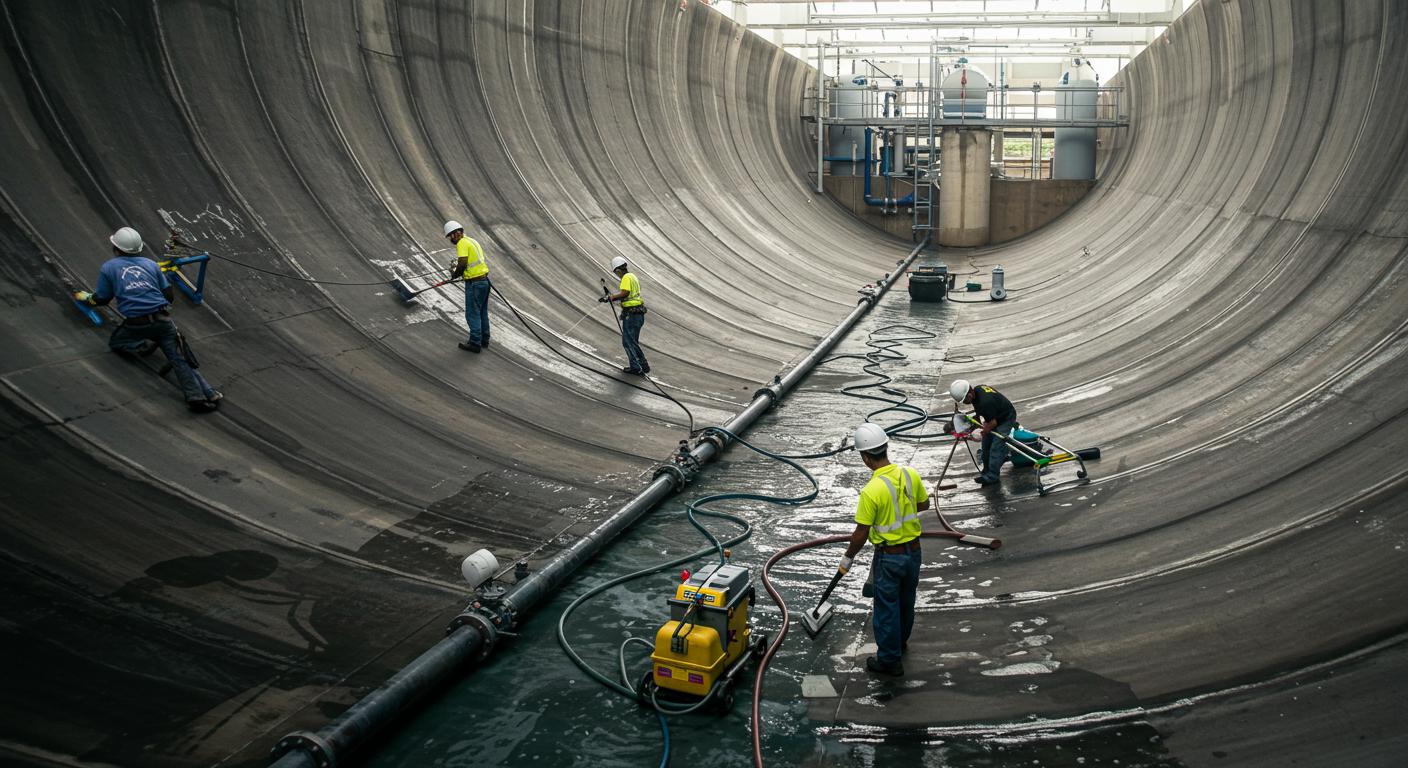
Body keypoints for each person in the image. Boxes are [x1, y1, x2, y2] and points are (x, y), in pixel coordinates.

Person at [74, 226, 222, 413]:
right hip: (163, 321)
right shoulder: (151, 265)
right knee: (179, 359)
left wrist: (86, 298)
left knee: (117, 342)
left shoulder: (109, 268)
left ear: (115, 247)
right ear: (139, 248)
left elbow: (102, 299)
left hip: (137, 324)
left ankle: (144, 345)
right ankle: (202, 395)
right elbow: (169, 296)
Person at [839, 422, 930, 677]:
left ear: (865, 457)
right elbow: (923, 504)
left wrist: (848, 558)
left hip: (889, 557)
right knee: (906, 600)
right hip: (914, 552)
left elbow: (861, 532)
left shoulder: (871, 491)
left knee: (886, 607)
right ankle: (899, 643)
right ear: (885, 448)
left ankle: (890, 661)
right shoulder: (909, 474)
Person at [950, 379, 1017, 486]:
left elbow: (993, 422)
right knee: (986, 445)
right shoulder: (977, 390)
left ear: (969, 395)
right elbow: (982, 413)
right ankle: (986, 471)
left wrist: (984, 431)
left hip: (1006, 418)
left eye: (964, 401)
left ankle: (992, 476)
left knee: (996, 446)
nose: (965, 403)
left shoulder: (985, 402)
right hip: (995, 415)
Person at [444, 220, 490, 352]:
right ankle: (484, 340)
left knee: (472, 313)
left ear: (454, 234)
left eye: (450, 236)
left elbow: (463, 263)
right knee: (482, 312)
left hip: (474, 284)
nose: (451, 239)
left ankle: (475, 343)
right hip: (484, 282)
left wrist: (455, 275)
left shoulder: (462, 243)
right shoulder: (472, 240)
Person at [599, 256, 650, 375]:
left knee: (628, 341)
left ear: (618, 270)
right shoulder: (633, 276)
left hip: (631, 315)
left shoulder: (626, 278)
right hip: (638, 314)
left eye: (616, 272)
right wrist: (614, 298)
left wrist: (611, 297)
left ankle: (636, 366)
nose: (617, 274)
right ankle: (642, 365)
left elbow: (625, 293)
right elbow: (629, 296)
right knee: (633, 341)